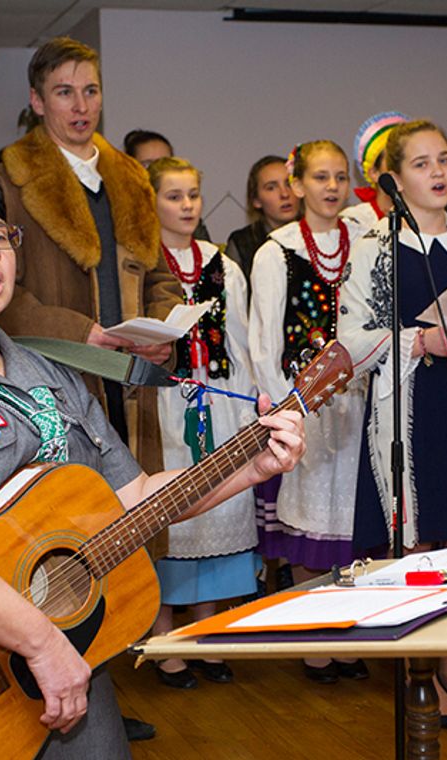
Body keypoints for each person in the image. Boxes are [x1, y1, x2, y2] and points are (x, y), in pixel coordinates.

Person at [0, 164, 305, 758]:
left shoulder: (50, 373)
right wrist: (38, 641)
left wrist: (252, 465)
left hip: (69, 650)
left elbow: (134, 499)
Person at [0, 36, 182, 742]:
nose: (80, 105)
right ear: (37, 101)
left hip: (130, 382)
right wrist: (80, 331)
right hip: (57, 376)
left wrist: (158, 322)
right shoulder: (6, 179)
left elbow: (160, 274)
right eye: (64, 91)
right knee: (66, 536)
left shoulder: (131, 176)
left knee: (126, 533)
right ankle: (56, 687)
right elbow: (2, 293)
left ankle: (100, 689)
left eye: (90, 90)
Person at [340, 119, 447, 731]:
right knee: (415, 551)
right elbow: (350, 341)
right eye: (422, 164)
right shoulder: (374, 250)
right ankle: (420, 680)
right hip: (409, 413)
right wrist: (421, 341)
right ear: (392, 179)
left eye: (444, 160)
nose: (439, 172)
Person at [248, 140, 369, 683]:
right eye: (319, 177)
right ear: (296, 185)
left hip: (361, 404)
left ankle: (348, 631)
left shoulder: (365, 245)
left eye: (340, 177)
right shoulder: (276, 251)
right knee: (310, 525)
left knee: (349, 526)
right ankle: (314, 636)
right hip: (307, 412)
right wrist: (289, 408)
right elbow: (262, 339)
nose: (331, 188)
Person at [146, 157, 261, 688]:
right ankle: (161, 639)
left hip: (217, 401)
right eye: (174, 196)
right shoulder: (142, 263)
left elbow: (240, 341)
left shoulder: (223, 266)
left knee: (218, 513)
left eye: (193, 194)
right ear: (151, 203)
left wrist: (248, 405)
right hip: (162, 404)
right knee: (172, 516)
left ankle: (206, 632)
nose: (188, 205)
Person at [224, 155, 300, 284]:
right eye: (271, 187)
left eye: (289, 183)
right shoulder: (242, 243)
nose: (285, 194)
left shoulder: (317, 235)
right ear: (256, 200)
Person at [342, 110, 409, 228]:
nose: (402, 167)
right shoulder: (355, 223)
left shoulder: (435, 217)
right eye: (393, 159)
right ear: (374, 173)